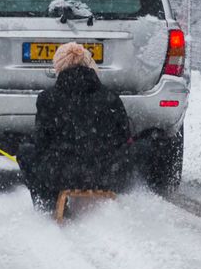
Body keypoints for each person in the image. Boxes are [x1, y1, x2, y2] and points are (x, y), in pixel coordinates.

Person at [18, 42, 132, 211]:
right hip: (106, 173)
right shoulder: (111, 97)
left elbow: (42, 142)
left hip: (61, 174)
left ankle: (48, 205)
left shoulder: (47, 99)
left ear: (59, 66)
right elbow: (124, 137)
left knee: (25, 152)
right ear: (89, 64)